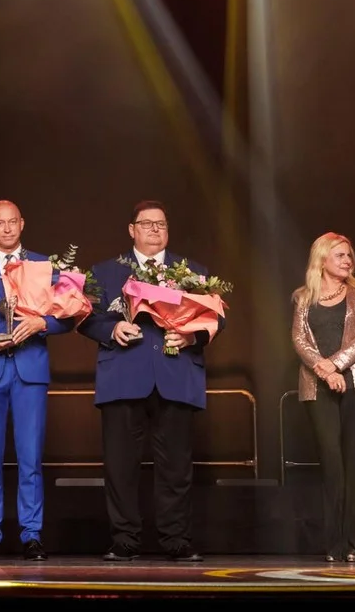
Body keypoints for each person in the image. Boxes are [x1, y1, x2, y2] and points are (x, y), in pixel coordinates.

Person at [77, 200, 220, 562]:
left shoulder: (193, 271)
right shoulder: (106, 271)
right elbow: (84, 316)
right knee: (120, 466)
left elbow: (216, 319)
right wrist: (112, 329)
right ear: (132, 230)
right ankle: (124, 539)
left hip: (176, 375)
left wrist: (192, 336)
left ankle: (176, 539)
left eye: (161, 224)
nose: (155, 230)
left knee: (176, 467)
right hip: (124, 375)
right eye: (147, 224)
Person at [0, 200, 74, 561]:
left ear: (22, 223)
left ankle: (31, 534)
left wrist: (43, 323)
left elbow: (69, 316)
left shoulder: (44, 265)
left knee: (31, 457)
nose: (6, 228)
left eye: (12, 222)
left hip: (30, 369)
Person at [291, 232, 355, 563]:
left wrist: (336, 364)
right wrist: (324, 370)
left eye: (349, 255)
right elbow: (299, 339)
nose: (348, 260)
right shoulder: (303, 297)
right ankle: (336, 544)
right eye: (340, 255)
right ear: (322, 260)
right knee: (332, 463)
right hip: (318, 384)